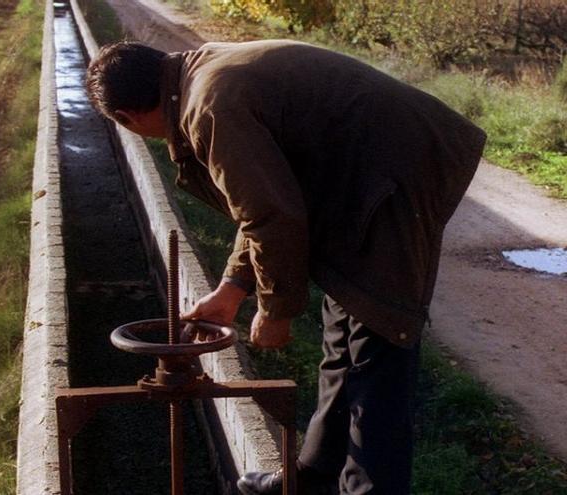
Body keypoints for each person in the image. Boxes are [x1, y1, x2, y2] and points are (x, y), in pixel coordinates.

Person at [85, 40, 486, 494]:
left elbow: (271, 216)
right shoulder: (198, 79)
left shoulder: (209, 108)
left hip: (392, 174)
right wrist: (233, 289)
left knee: (379, 345)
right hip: (357, 173)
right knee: (342, 338)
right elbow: (262, 199)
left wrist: (276, 310)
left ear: (128, 118)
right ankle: (313, 477)